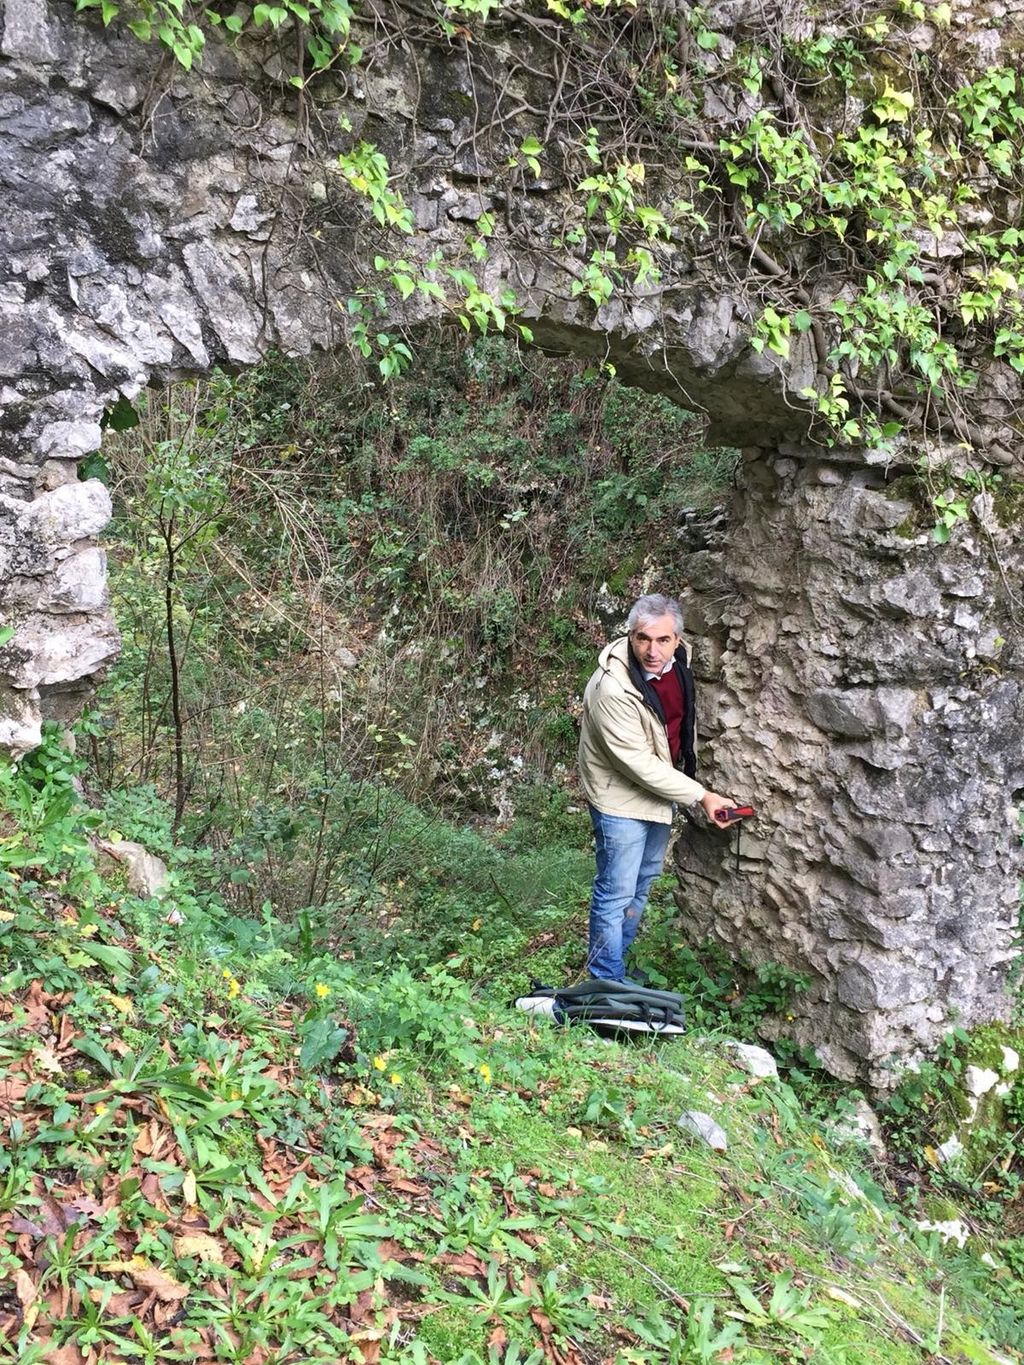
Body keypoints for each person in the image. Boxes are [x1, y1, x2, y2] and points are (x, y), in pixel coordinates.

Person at [577, 592, 742, 983]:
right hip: (619, 797)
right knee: (616, 890)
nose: (653, 651)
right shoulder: (612, 688)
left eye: (663, 640)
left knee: (643, 881)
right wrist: (701, 795)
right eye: (643, 639)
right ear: (631, 636)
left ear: (678, 640)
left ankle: (615, 965)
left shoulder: (677, 663)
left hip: (659, 792)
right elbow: (636, 762)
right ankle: (605, 979)